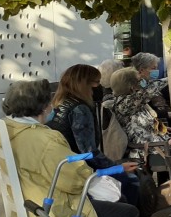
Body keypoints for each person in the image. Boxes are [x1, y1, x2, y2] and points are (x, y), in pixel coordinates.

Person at [0, 79, 142, 217]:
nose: (52, 107)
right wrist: (101, 173)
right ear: (42, 107)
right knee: (128, 212)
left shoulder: (7, 130)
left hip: (30, 203)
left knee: (119, 203)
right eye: (49, 103)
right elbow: (73, 180)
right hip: (52, 209)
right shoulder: (44, 139)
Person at [48, 64, 141, 206]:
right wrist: (117, 167)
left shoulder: (59, 104)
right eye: (97, 82)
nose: (100, 86)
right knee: (131, 181)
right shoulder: (80, 110)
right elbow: (88, 152)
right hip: (78, 170)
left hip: (61, 166)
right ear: (84, 84)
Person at [110, 66, 171, 160]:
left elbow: (148, 126)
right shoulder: (125, 104)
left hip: (155, 147)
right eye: (139, 81)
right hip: (145, 152)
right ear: (131, 86)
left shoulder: (132, 101)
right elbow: (148, 91)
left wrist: (165, 134)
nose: (142, 83)